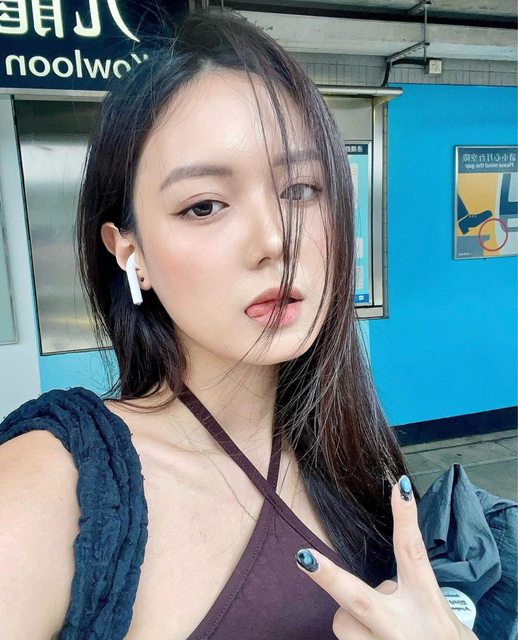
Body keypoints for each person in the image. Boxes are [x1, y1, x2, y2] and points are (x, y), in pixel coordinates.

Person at [0, 9, 479, 640]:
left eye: (301, 189)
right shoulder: (52, 483)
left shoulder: (350, 451)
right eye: (204, 205)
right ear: (130, 252)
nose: (275, 239)